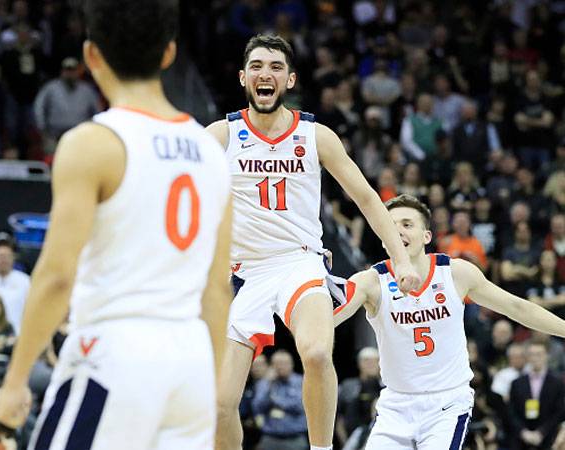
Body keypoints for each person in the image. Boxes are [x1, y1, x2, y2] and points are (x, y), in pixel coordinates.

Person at [0, 1, 232, 449]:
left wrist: (15, 381)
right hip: (191, 358)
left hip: (116, 351)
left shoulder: (92, 142)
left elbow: (57, 275)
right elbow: (218, 290)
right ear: (169, 53)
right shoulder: (212, 151)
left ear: (91, 55)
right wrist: (209, 392)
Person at [206, 34, 420, 450]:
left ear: (289, 79)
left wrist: (403, 261)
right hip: (242, 272)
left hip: (298, 262)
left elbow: (367, 199)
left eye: (275, 67)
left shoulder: (315, 135)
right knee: (219, 404)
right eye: (257, 66)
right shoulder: (221, 134)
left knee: (318, 353)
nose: (265, 74)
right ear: (242, 77)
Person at [334, 194, 565, 449]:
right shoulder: (370, 281)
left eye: (407, 224)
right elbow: (326, 319)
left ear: (427, 236)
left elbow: (516, 307)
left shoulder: (455, 272)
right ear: (382, 237)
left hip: (446, 404)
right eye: (391, 226)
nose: (398, 231)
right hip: (395, 405)